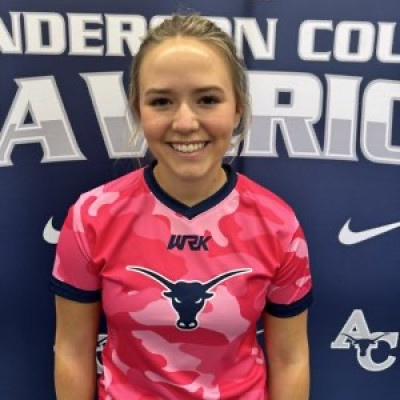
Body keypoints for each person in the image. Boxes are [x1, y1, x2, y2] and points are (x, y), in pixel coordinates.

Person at [51, 14, 313, 400]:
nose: (185, 122)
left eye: (208, 100)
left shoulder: (278, 224)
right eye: (161, 102)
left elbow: (290, 359)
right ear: (139, 110)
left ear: (238, 109)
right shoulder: (92, 216)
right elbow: (72, 352)